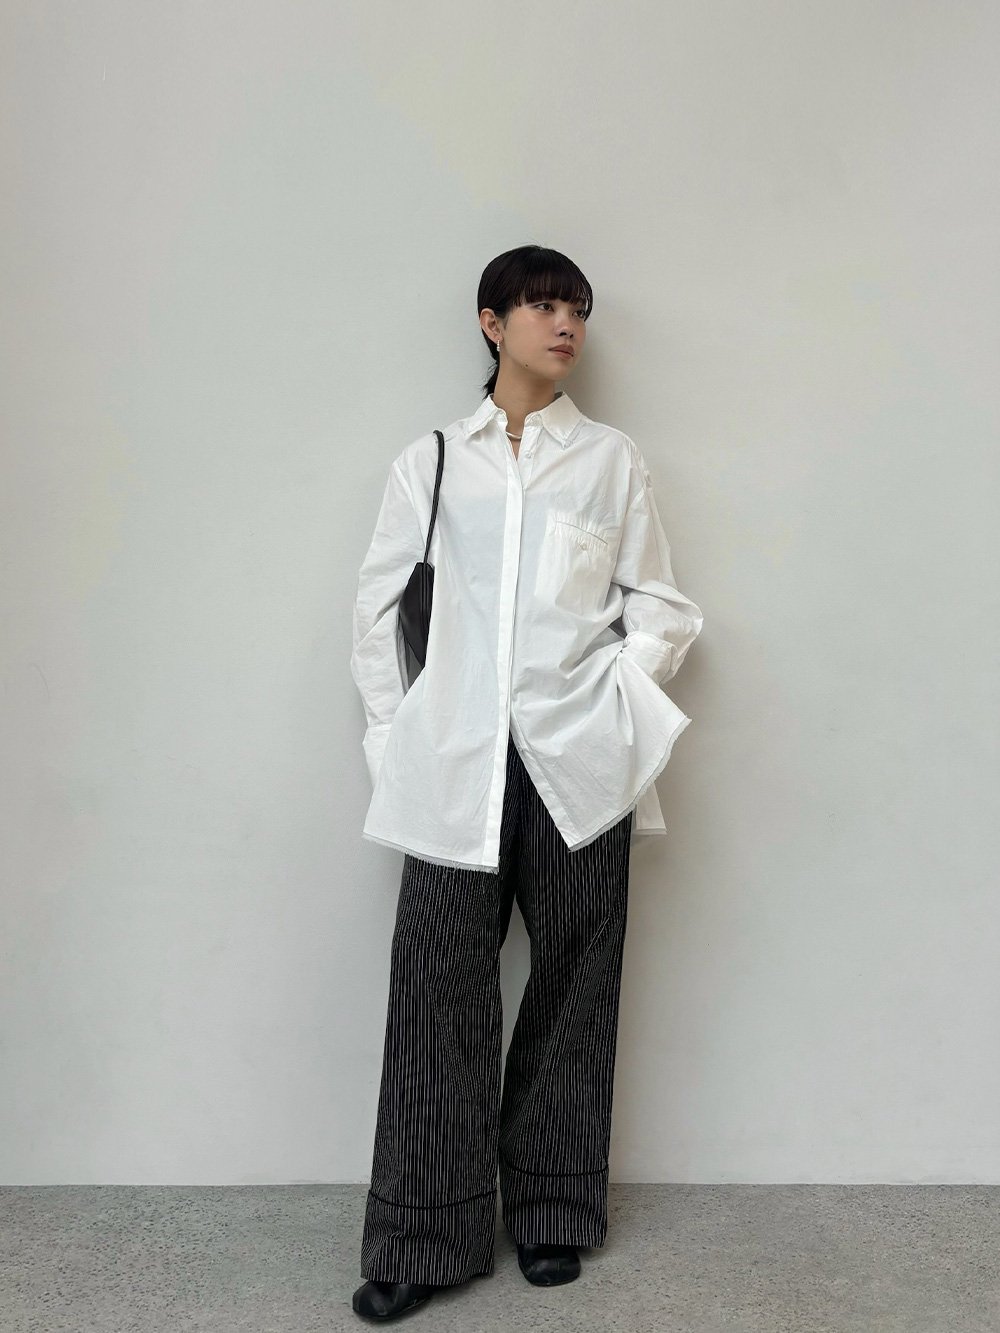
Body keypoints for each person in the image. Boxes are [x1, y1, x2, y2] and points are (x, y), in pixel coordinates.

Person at [349, 245, 704, 1321]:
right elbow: (376, 613)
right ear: (491, 322)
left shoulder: (609, 460)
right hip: (454, 765)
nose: (567, 325)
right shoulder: (431, 462)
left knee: (576, 979)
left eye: (578, 310)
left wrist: (615, 704)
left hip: (577, 765)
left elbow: (662, 606)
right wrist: (396, 741)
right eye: (545, 306)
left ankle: (551, 1208)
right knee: (435, 985)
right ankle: (424, 1232)